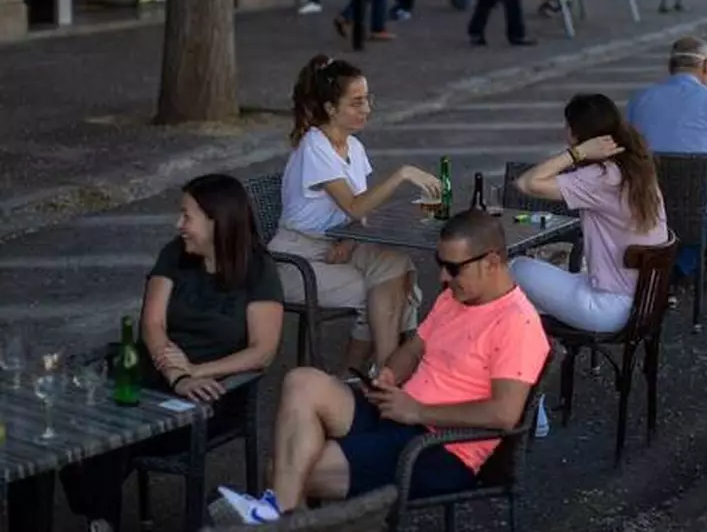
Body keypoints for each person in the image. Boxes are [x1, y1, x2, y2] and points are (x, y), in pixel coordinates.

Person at [213, 210, 551, 524]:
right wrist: (389, 374)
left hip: (443, 448)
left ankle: (276, 514)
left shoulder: (517, 324)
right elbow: (415, 348)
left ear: (492, 261)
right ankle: (279, 513)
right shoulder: (455, 298)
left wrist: (418, 411)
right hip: (401, 414)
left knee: (285, 469)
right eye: (439, 263)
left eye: (453, 267)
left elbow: (504, 414)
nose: (443, 276)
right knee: (302, 381)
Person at [60, 174, 285, 532]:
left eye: (187, 216)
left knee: (118, 433)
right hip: (155, 370)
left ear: (217, 221)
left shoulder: (257, 270)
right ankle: (95, 513)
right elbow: (152, 325)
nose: (178, 224)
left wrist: (198, 371)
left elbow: (263, 351)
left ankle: (97, 517)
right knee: (77, 420)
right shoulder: (174, 254)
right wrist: (176, 375)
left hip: (215, 391)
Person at [269, 55, 440, 374]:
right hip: (296, 258)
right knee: (383, 292)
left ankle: (379, 374)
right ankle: (372, 375)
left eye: (368, 100)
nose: (367, 109)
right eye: (357, 102)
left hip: (332, 246)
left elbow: (358, 210)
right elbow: (355, 205)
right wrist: (402, 174)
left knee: (396, 266)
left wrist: (348, 235)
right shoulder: (314, 147)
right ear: (331, 109)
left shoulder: (353, 147)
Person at [512, 93, 669, 332]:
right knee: (535, 290)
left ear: (579, 133)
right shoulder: (637, 167)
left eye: (567, 126)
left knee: (512, 269)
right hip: (643, 301)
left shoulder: (602, 176)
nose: (564, 131)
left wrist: (577, 153)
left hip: (609, 306)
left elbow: (526, 183)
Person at [628, 36, 707, 277]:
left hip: (643, 206)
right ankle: (676, 267)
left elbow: (627, 153)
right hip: (694, 211)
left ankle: (660, 264)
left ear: (670, 67)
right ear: (706, 67)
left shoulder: (640, 99)